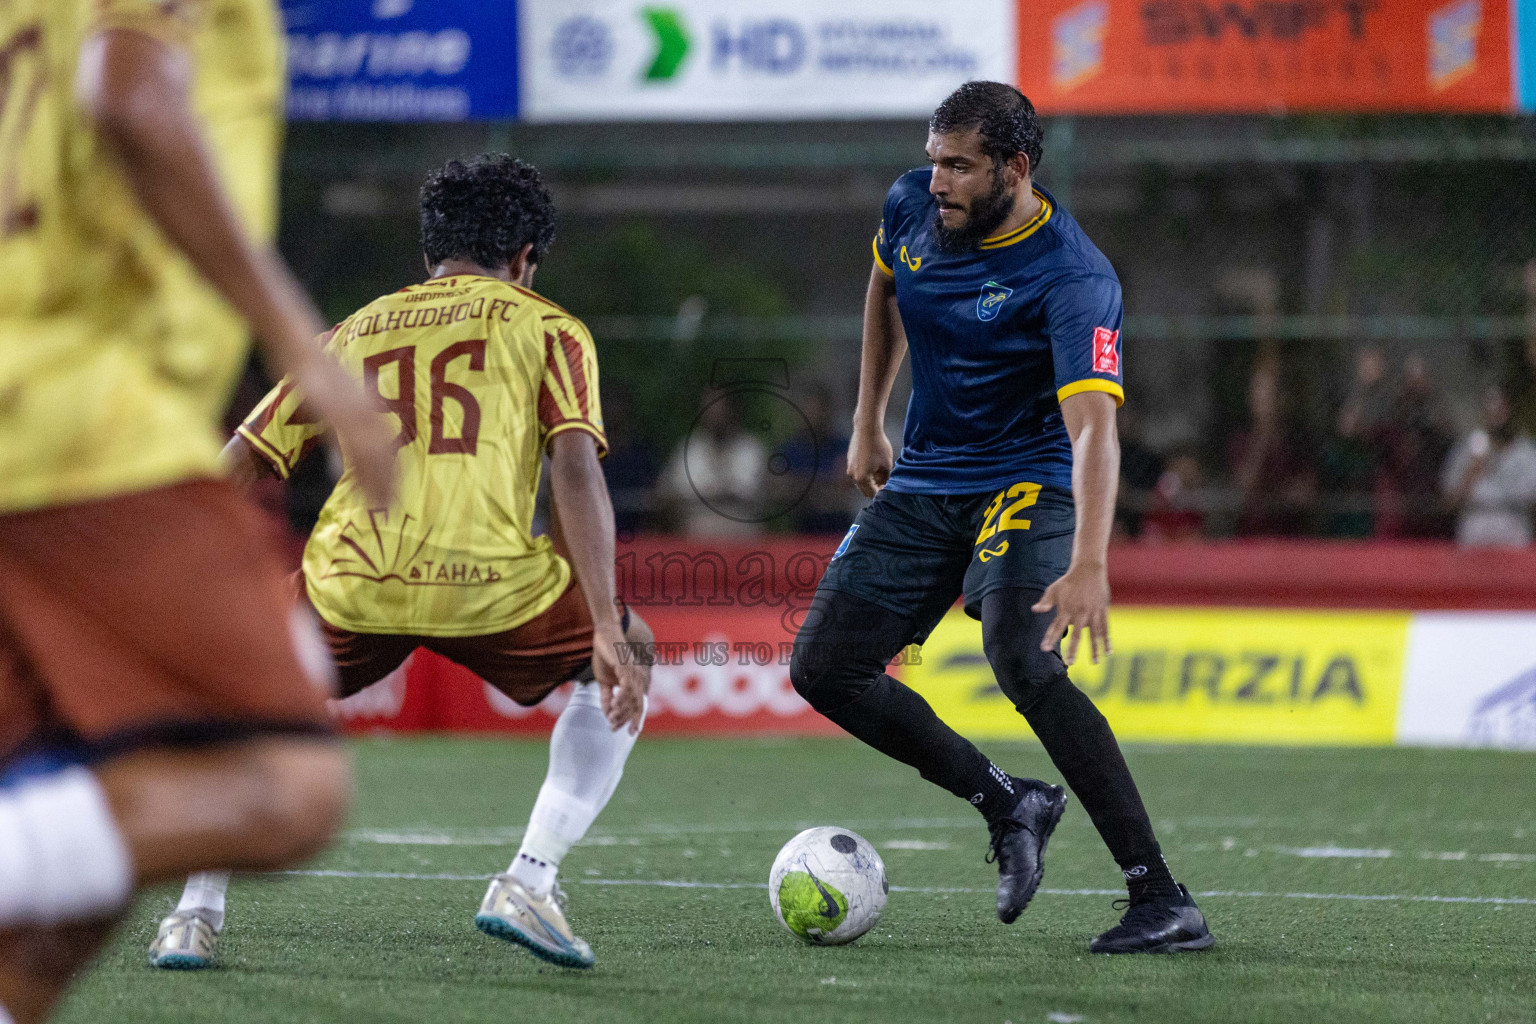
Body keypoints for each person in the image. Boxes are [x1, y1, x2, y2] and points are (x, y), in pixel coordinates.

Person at [149, 155, 653, 973]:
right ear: (525, 256)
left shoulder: (349, 331)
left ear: (429, 253)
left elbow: (242, 459)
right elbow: (574, 467)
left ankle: (192, 914)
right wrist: (605, 621)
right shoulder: (550, 327)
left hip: (351, 582)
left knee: (240, 697)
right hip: (491, 587)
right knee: (633, 653)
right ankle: (530, 878)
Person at [0, 0, 399, 1020]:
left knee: (75, 862)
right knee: (280, 785)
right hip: (83, 426)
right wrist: (302, 344)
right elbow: (130, 94)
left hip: (52, 421)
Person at [789, 82, 1213, 955]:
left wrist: (1090, 559)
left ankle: (1162, 897)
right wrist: (872, 417)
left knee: (1019, 656)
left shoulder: (1073, 276)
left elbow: (1094, 428)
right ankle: (1008, 801)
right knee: (823, 668)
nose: (935, 180)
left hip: (1027, 477)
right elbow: (885, 284)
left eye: (959, 166)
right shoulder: (912, 204)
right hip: (926, 479)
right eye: (934, 157)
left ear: (1015, 170)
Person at [1440, 385, 1536, 547]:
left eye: (1501, 408)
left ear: (1511, 410)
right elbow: (1448, 503)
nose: (1496, 413)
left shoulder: (1526, 451)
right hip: (1475, 522)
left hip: (1513, 523)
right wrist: (1471, 472)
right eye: (1490, 407)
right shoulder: (1466, 448)